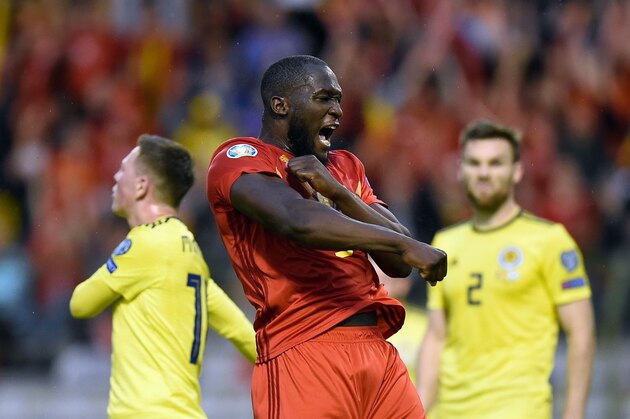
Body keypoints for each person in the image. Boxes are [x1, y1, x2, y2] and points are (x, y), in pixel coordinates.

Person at [206, 54, 447, 418]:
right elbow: (297, 220)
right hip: (303, 348)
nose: (337, 111)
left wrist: (340, 194)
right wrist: (405, 244)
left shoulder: (343, 167)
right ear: (280, 105)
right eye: (324, 98)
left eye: (339, 100)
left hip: (377, 351)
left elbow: (399, 264)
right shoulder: (241, 158)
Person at [417, 119, 596, 419]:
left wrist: (574, 412)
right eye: (474, 163)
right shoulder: (444, 244)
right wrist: (420, 407)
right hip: (447, 412)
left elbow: (581, 332)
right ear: (461, 171)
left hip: (517, 408)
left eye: (495, 163)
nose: (484, 172)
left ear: (517, 171)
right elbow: (437, 336)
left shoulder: (550, 241)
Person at [69, 134, 257, 418]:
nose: (116, 177)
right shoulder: (191, 254)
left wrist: (117, 264)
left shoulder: (143, 245)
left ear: (142, 185)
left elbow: (80, 303)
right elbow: (242, 334)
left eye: (123, 170)